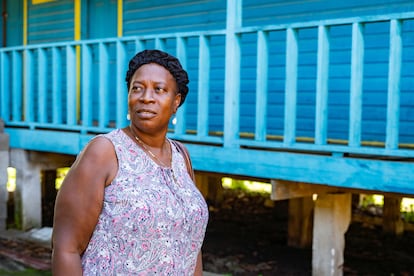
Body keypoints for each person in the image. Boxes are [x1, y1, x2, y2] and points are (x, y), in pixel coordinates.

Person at [52, 49, 209, 275]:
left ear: (176, 102)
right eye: (137, 88)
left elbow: (191, 246)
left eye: (159, 89)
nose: (146, 97)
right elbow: (66, 248)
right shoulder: (105, 151)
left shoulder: (180, 155)